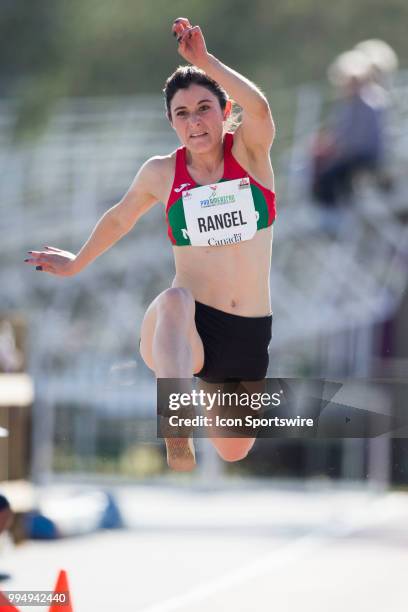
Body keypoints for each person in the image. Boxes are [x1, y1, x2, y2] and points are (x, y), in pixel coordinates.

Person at [24, 18, 276, 471]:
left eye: (204, 108)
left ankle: (196, 389)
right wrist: (77, 262)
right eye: (183, 113)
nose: (195, 121)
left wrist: (204, 61)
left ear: (224, 110)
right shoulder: (162, 173)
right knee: (176, 298)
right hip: (186, 327)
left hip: (247, 331)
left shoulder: (249, 156)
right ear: (171, 122)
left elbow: (259, 109)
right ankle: (175, 421)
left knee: (235, 448)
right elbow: (120, 217)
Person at [311, 49, 388, 225]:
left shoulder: (367, 103)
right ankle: (336, 211)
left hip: (364, 156)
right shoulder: (354, 103)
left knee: (328, 175)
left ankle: (332, 218)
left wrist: (337, 149)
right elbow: (341, 132)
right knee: (325, 169)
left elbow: (359, 139)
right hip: (357, 154)